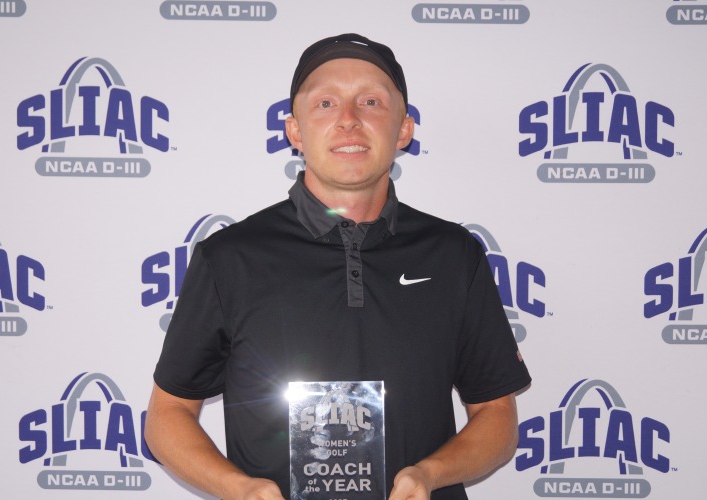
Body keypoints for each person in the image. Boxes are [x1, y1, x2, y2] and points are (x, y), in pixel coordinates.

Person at [145, 33, 531, 500]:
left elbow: (497, 414)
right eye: (326, 103)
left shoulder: (453, 254)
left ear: (404, 129)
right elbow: (167, 416)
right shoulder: (229, 257)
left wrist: (428, 475)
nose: (349, 120)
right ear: (294, 130)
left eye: (370, 101)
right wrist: (243, 489)